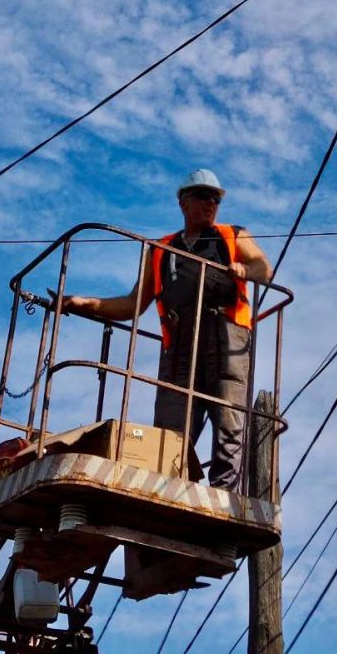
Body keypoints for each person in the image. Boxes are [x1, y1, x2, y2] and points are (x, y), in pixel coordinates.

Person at [60, 169, 273, 492]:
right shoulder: (161, 251)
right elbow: (133, 304)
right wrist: (86, 304)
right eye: (204, 196)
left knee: (229, 420)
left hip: (226, 342)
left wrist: (245, 268)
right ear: (183, 202)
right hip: (180, 351)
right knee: (172, 430)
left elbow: (263, 267)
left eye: (216, 198)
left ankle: (224, 495)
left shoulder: (233, 236)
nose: (211, 203)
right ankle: (170, 489)